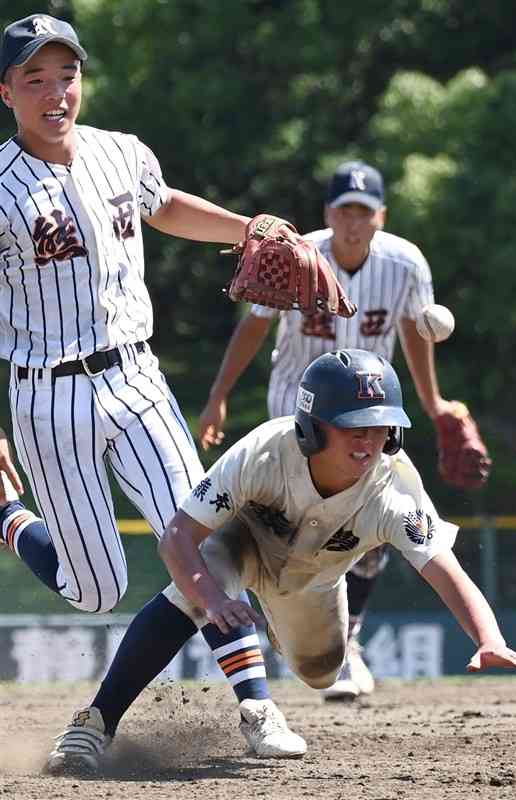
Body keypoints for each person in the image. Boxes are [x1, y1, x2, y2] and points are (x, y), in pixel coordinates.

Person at [0, 12, 303, 741]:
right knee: (95, 590)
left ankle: (257, 706)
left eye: (66, 74)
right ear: (5, 91)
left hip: (137, 376)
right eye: (35, 79)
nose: (56, 92)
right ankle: (8, 517)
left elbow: (163, 208)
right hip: (48, 395)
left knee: (204, 541)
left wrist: (247, 228)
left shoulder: (120, 152)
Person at [46, 348, 516, 775]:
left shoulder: (394, 491)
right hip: (242, 547)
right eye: (351, 426)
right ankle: (94, 723)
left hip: (314, 586)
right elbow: (178, 539)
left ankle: (280, 629)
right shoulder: (263, 452)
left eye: (380, 425)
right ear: (312, 427)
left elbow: (445, 571)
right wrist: (213, 600)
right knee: (191, 593)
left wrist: (489, 639)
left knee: (322, 671)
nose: (367, 439)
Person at [197, 159, 491, 700]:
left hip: (368, 420)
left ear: (380, 214)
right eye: (343, 209)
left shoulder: (405, 262)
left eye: (363, 210)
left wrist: (433, 403)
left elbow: (415, 332)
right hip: (299, 412)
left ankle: (346, 640)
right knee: (275, 529)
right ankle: (278, 618)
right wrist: (218, 397)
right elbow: (254, 327)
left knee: (372, 536)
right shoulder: (299, 253)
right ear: (329, 212)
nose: (352, 221)